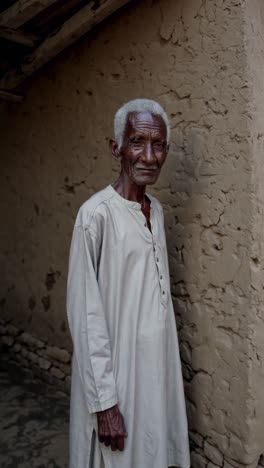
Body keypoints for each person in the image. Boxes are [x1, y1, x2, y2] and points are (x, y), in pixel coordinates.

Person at [67, 99, 190, 468]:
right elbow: (85, 316)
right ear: (116, 147)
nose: (149, 157)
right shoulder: (96, 216)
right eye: (137, 142)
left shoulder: (158, 210)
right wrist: (104, 403)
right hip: (116, 381)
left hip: (156, 374)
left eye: (159, 146)